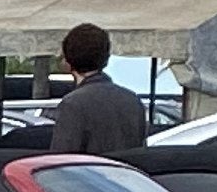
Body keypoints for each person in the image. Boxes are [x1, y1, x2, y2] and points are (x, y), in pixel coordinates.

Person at [44, 23, 150, 152]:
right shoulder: (132, 101)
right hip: (125, 172)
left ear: (67, 60)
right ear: (106, 58)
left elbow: (62, 160)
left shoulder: (73, 105)